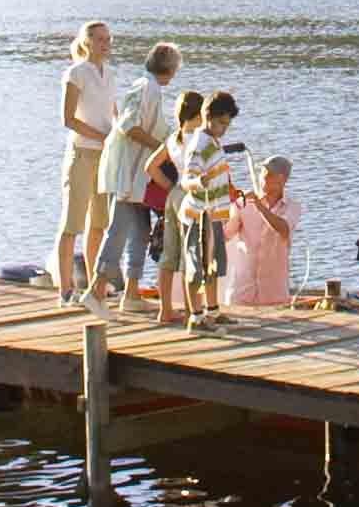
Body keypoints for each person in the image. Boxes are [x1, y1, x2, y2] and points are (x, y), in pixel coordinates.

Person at [88, 42, 183, 309]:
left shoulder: (147, 86)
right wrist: (160, 149)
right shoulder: (147, 88)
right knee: (119, 229)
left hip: (140, 178)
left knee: (141, 232)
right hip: (131, 175)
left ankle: (131, 293)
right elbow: (129, 126)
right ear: (172, 69)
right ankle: (96, 290)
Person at [52, 22, 117, 306]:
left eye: (108, 39)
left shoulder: (110, 74)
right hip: (81, 154)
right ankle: (65, 290)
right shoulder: (76, 73)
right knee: (72, 224)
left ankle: (95, 287)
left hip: (105, 157)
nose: (105, 44)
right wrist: (100, 136)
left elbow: (114, 114)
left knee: (99, 224)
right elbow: (69, 119)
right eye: (100, 39)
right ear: (87, 42)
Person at [166, 92, 243, 323]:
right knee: (196, 267)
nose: (224, 129)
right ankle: (196, 317)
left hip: (214, 214)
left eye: (227, 124)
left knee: (213, 265)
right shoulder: (199, 144)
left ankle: (213, 311)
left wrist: (227, 190)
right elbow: (187, 180)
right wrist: (200, 182)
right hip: (198, 215)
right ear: (207, 116)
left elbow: (217, 172)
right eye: (220, 123)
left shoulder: (213, 142)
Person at [140, 91, 210, 321]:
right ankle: (192, 309)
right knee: (191, 254)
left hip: (175, 195)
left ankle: (165, 309)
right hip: (193, 197)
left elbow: (150, 166)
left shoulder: (173, 138)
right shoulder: (201, 140)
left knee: (168, 255)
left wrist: (170, 187)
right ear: (200, 114)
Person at [224, 155, 303, 308]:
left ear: (282, 179)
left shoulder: (293, 207)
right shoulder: (243, 203)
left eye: (268, 174)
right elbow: (226, 234)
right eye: (262, 173)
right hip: (241, 292)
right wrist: (218, 209)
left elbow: (283, 229)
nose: (263, 178)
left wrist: (259, 207)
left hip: (274, 295)